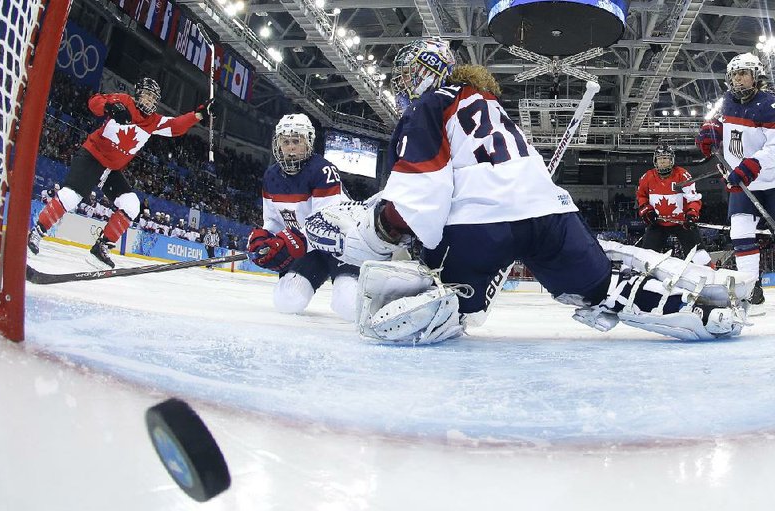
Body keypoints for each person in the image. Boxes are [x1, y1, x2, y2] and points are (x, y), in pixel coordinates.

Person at [304, 38, 755, 345]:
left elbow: (418, 199)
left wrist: (377, 232)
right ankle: (699, 314)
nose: (402, 84)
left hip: (480, 225)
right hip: (551, 213)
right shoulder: (489, 103)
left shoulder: (430, 104)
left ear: (427, 72)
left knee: (445, 300)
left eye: (406, 74)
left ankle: (458, 295)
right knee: (602, 286)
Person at [27, 77, 213, 268]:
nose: (148, 101)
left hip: (111, 170)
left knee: (132, 205)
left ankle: (101, 248)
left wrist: (198, 115)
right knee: (70, 197)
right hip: (92, 156)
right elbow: (94, 101)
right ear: (138, 94)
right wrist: (110, 107)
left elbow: (175, 126)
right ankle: (36, 233)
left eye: (152, 98)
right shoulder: (124, 100)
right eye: (146, 96)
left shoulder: (154, 122)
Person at [246, 113, 358, 321]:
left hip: (341, 248)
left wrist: (290, 241)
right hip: (311, 249)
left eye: (296, 141)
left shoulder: (323, 171)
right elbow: (273, 220)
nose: (290, 147)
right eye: (285, 141)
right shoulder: (271, 176)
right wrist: (264, 237)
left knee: (348, 304)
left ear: (308, 142)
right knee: (287, 302)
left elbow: (327, 223)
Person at [696, 51, 775, 313]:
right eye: (734, 75)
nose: (738, 79)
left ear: (756, 76)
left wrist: (752, 164)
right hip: (742, 182)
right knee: (740, 234)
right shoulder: (726, 102)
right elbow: (716, 125)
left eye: (743, 74)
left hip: (770, 180)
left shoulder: (769, 105)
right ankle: (751, 289)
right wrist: (710, 134)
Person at [636, 143, 713, 266]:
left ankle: (710, 274)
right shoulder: (647, 177)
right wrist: (647, 211)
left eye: (665, 159)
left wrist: (692, 214)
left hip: (682, 223)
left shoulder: (682, 175)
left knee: (698, 254)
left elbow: (693, 199)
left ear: (671, 160)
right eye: (660, 159)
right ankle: (641, 276)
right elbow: (641, 196)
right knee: (646, 255)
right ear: (655, 161)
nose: (662, 162)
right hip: (658, 223)